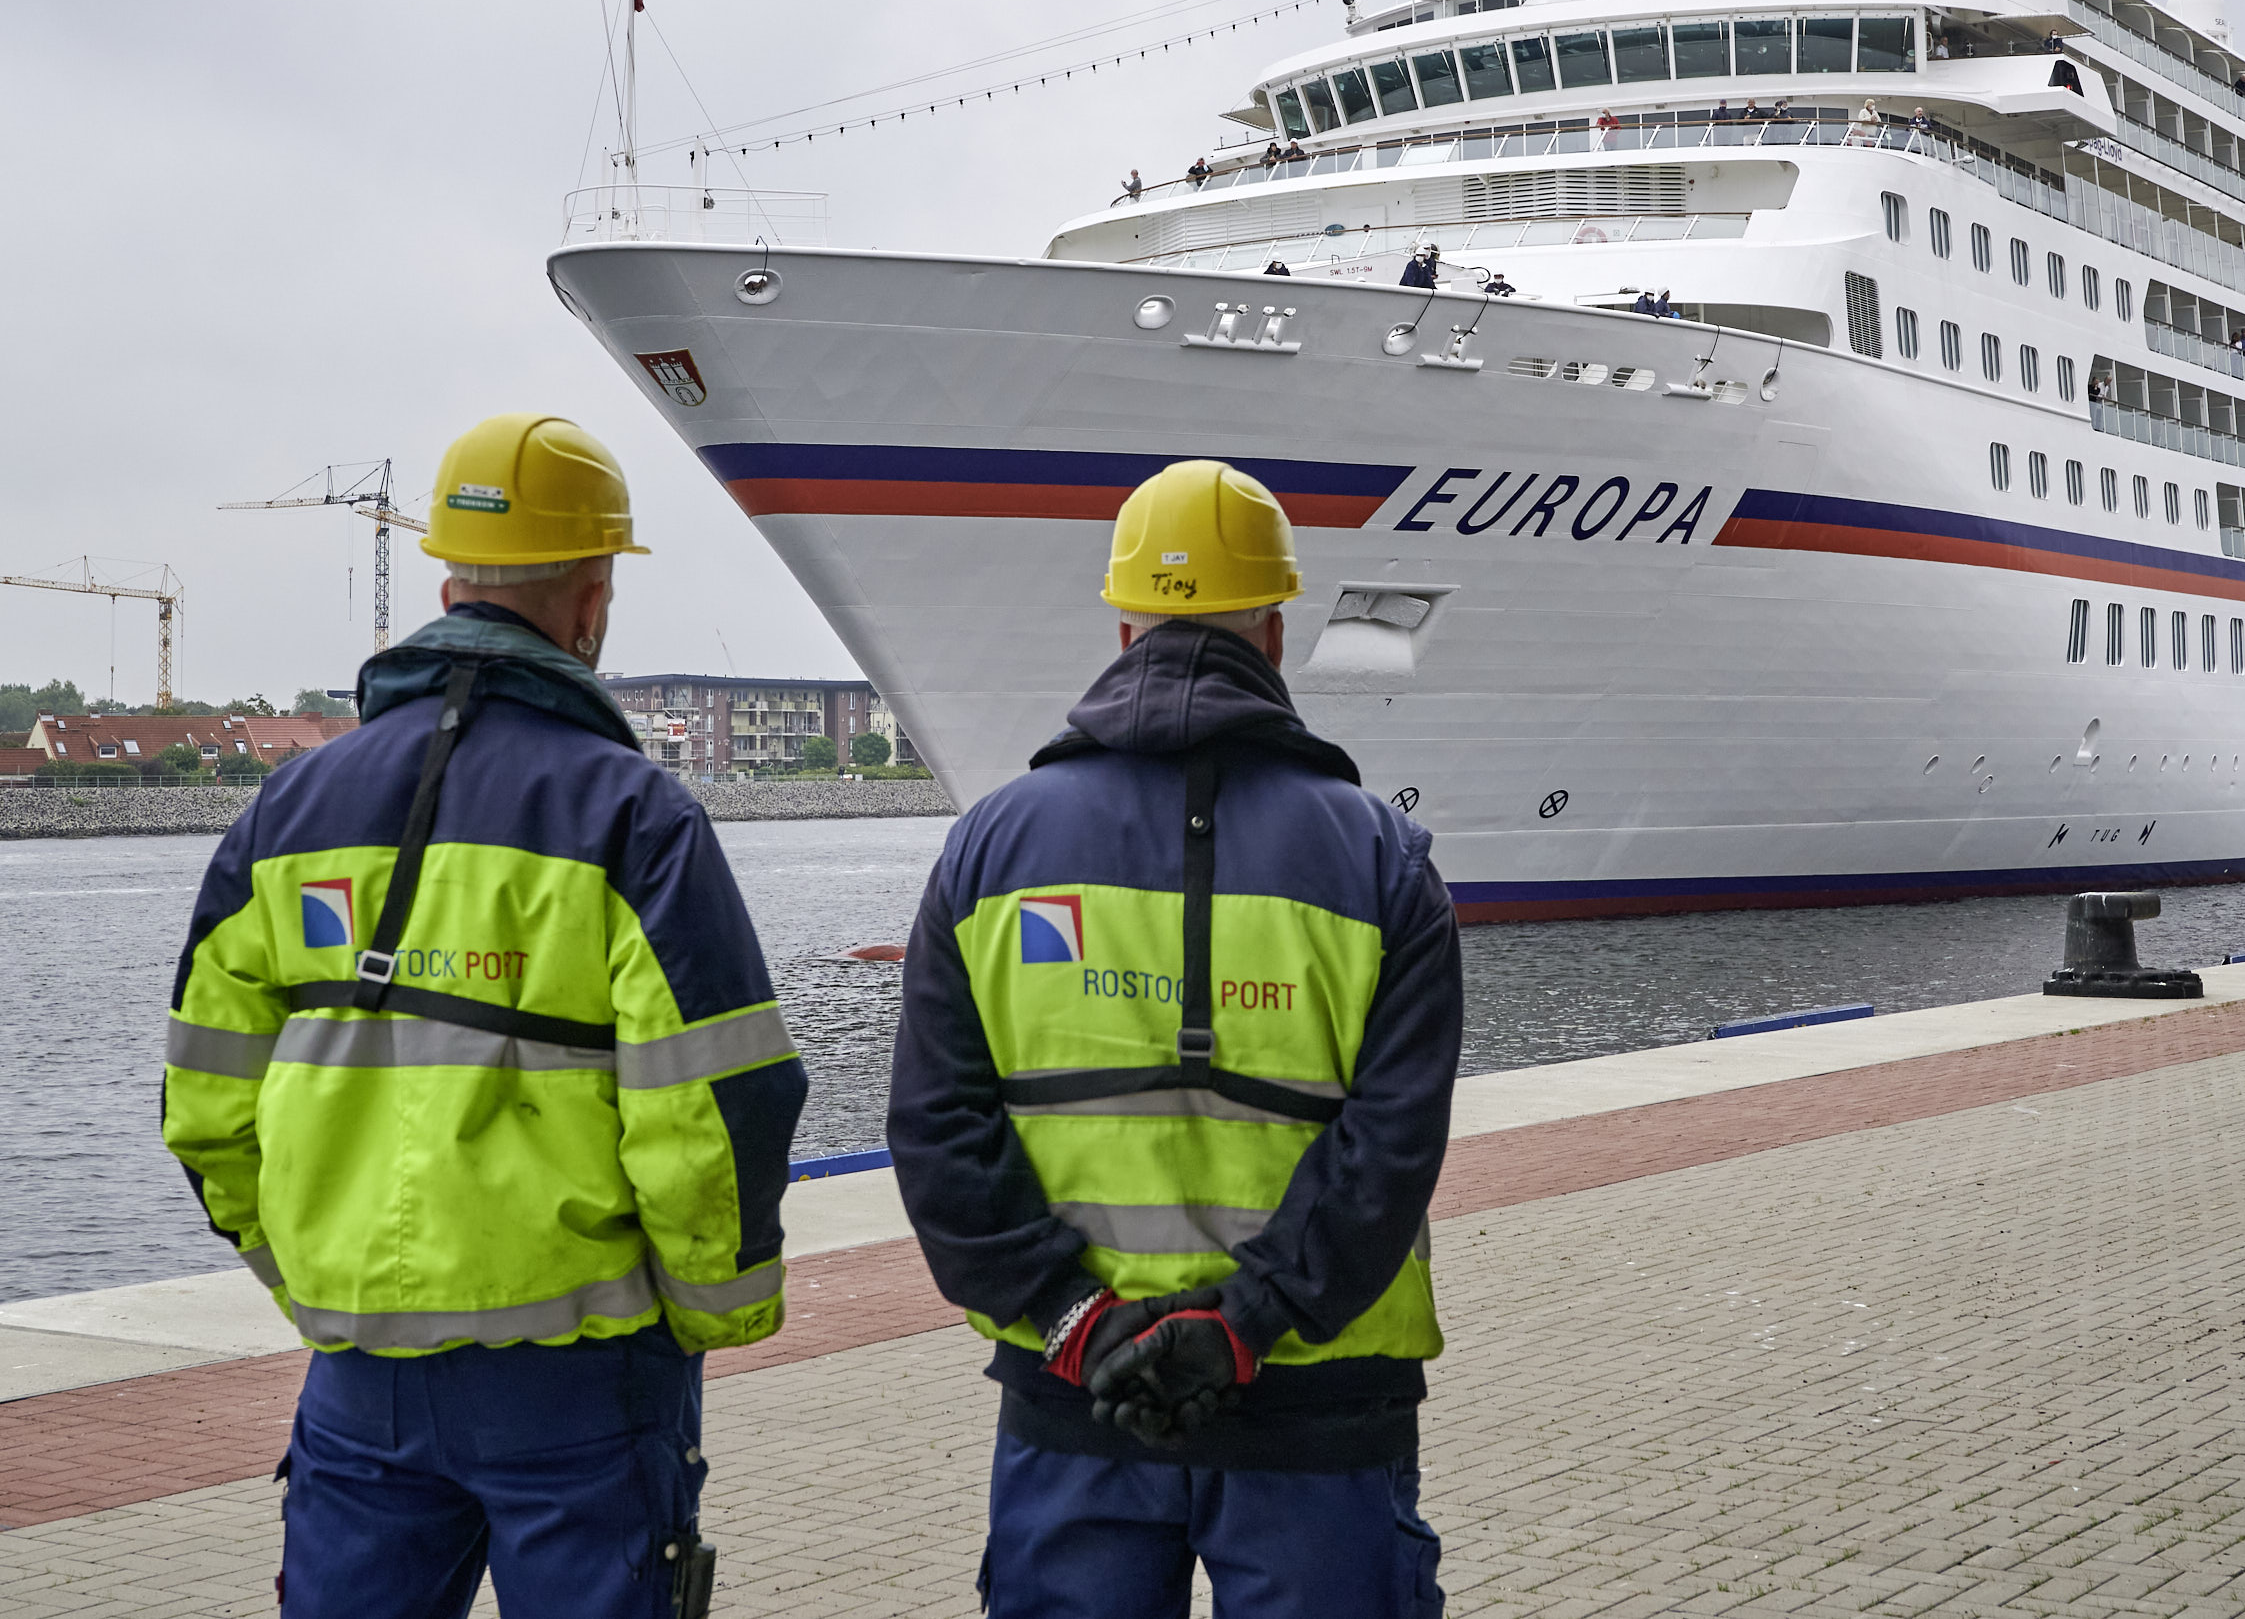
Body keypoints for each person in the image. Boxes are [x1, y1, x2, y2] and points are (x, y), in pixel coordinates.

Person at [162, 412, 806, 1619]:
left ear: (448, 582)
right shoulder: (633, 813)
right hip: (583, 1373)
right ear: (592, 597)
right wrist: (717, 1307)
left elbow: (204, 1099)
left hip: (358, 1376)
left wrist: (308, 1276)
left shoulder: (286, 808)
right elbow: (717, 1098)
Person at [888, 459, 1461, 1619]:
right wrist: (1243, 1329)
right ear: (1277, 628)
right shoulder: (1381, 861)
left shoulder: (990, 850)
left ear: (1120, 623)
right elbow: (1389, 1151)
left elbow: (938, 1135)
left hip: (1074, 1405)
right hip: (1319, 1411)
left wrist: (1075, 1321)